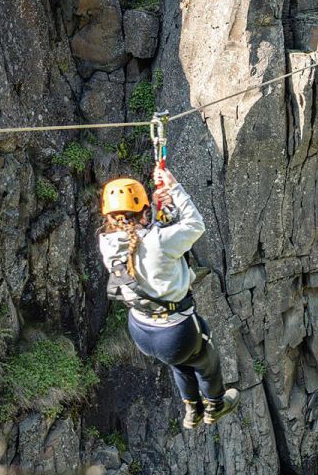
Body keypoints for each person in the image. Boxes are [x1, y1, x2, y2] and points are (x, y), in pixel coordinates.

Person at [98, 168, 239, 429]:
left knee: (180, 361)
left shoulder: (107, 242)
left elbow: (139, 239)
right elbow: (195, 225)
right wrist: (174, 188)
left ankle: (192, 410)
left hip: (141, 331)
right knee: (206, 359)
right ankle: (215, 406)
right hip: (175, 331)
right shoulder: (159, 241)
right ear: (141, 212)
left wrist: (156, 208)